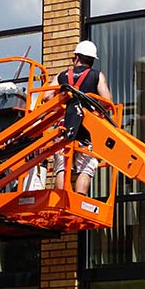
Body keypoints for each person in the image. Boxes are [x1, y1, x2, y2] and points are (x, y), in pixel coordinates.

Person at [52, 40, 112, 195]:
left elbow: (46, 97)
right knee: (86, 167)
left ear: (77, 58)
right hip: (86, 128)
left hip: (64, 127)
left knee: (62, 167)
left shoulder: (61, 76)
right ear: (91, 61)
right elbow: (107, 101)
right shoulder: (97, 76)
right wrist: (94, 111)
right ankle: (80, 200)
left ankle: (61, 200)